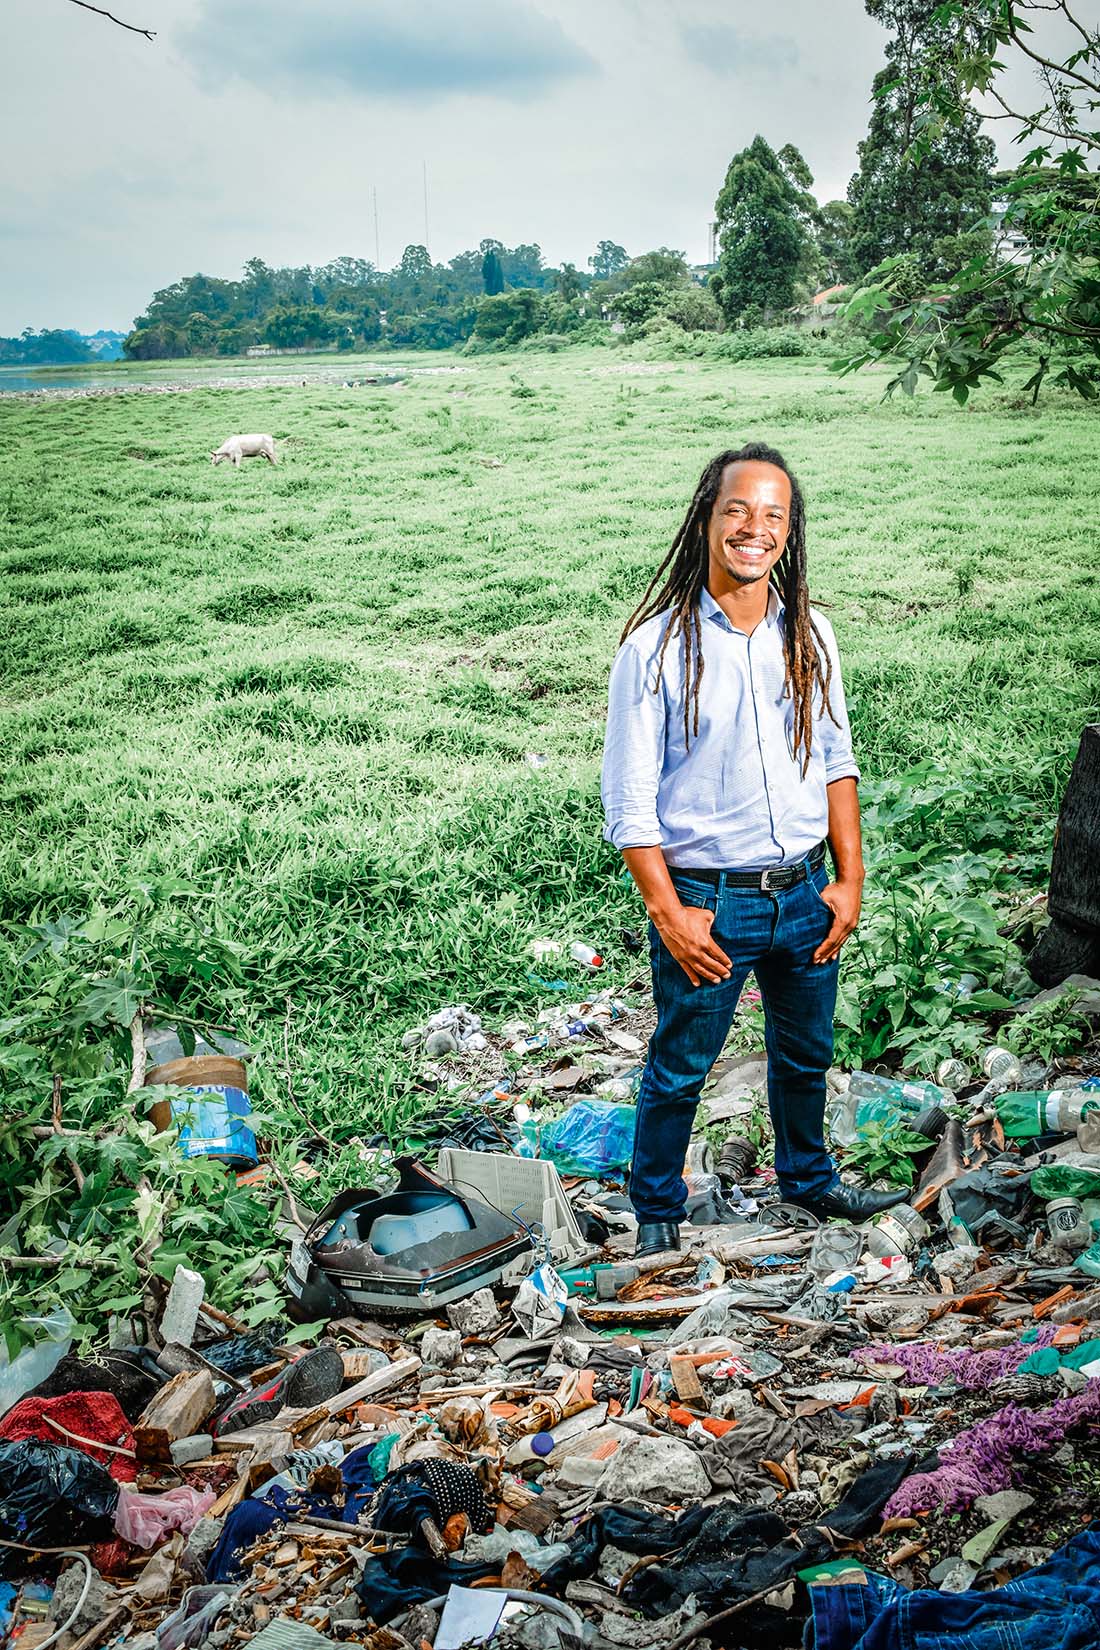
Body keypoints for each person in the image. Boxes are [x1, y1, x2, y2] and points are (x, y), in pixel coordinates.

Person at [601, 442, 907, 1260]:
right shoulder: (656, 650)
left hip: (806, 892)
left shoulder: (810, 636)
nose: (754, 528)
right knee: (679, 1066)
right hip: (711, 899)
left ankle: (808, 1180)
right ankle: (658, 1208)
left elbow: (836, 760)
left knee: (805, 1056)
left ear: (789, 530)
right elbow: (630, 804)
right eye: (738, 509)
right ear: (707, 518)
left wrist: (851, 880)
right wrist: (671, 916)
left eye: (774, 514)